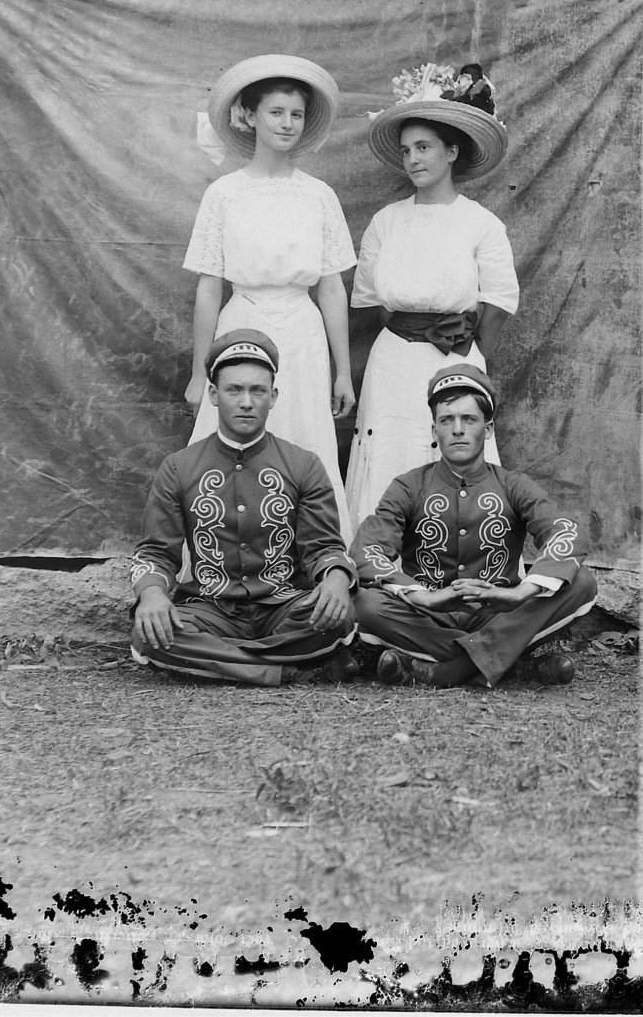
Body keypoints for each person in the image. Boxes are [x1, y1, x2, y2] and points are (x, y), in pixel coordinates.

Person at [183, 54, 356, 542]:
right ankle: (226, 552)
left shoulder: (318, 195)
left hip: (302, 332)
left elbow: (331, 287)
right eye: (276, 112)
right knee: (234, 441)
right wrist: (198, 374)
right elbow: (209, 287)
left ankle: (313, 556)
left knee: (304, 436)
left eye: (296, 114)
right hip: (241, 326)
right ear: (250, 116)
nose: (287, 124)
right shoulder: (224, 194)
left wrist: (343, 372)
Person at [344, 60, 519, 531]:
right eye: (406, 150)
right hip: (392, 360)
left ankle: (455, 550)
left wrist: (469, 354)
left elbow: (499, 301)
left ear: (452, 152)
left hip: (455, 359)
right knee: (390, 448)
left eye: (424, 148)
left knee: (451, 448)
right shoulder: (386, 221)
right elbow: (374, 302)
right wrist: (409, 334)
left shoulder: (480, 223)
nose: (413, 160)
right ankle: (379, 552)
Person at [131, 329, 359, 686]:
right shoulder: (179, 467)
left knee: (337, 617)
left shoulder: (303, 465)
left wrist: (335, 580)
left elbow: (324, 547)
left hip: (284, 607)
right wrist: (151, 594)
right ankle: (282, 668)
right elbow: (156, 553)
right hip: (209, 609)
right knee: (149, 634)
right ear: (214, 395)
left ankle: (224, 660)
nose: (247, 402)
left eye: (258, 390)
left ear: (274, 397)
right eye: (234, 390)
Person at [350, 364, 598, 689]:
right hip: (429, 619)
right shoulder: (408, 486)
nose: (458, 430)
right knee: (364, 603)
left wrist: (518, 593)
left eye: (469, 419)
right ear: (434, 431)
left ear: (488, 428)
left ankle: (451, 670)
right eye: (446, 420)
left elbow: (567, 532)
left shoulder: (513, 484)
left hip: (499, 615)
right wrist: (423, 597)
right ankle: (510, 663)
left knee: (582, 582)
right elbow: (367, 549)